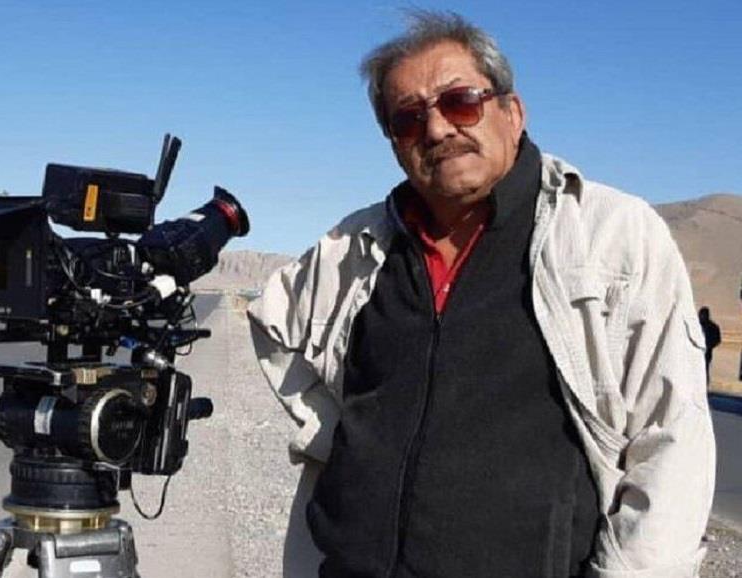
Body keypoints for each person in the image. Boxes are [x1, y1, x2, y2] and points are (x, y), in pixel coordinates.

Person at [247, 10, 715, 578]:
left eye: (460, 102)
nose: (437, 129)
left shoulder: (611, 235)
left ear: (512, 112)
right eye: (408, 119)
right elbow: (274, 321)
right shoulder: (357, 245)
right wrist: (339, 438)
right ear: (394, 143)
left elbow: (671, 440)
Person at [699, 306, 722, 384]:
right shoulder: (696, 326)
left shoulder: (713, 327)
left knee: (704, 369)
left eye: (703, 315)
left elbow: (718, 340)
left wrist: (709, 345)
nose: (702, 316)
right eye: (701, 314)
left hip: (707, 353)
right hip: (695, 352)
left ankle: (704, 384)